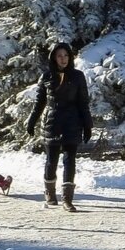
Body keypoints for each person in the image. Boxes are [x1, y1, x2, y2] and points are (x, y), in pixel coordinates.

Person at [26, 42, 93, 211]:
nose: (63, 59)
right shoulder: (47, 76)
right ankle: (50, 194)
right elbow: (39, 102)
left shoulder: (78, 76)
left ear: (70, 57)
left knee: (70, 160)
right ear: (54, 58)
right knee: (51, 161)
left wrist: (87, 125)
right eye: (59, 56)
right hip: (52, 122)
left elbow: (83, 103)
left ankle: (67, 199)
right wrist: (32, 121)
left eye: (66, 55)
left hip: (72, 122)